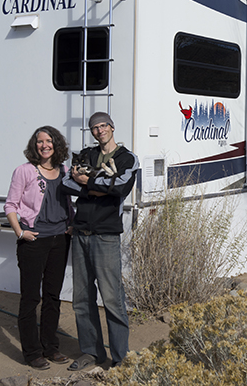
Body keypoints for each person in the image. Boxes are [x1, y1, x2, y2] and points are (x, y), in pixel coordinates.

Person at [60, 111, 139, 371]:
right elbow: (65, 183)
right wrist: (96, 186)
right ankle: (92, 353)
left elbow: (120, 187)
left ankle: (120, 358)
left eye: (103, 125)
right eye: (94, 127)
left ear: (112, 127)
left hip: (106, 235)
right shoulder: (86, 155)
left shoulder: (127, 158)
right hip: (81, 233)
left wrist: (88, 180)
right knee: (82, 299)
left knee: (112, 298)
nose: (99, 130)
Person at [4, 126, 74, 370]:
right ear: (34, 146)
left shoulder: (64, 171)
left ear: (57, 144)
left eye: (49, 140)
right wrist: (21, 232)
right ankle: (32, 352)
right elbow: (10, 205)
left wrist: (71, 224)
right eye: (39, 141)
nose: (44, 145)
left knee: (53, 297)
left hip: (60, 240)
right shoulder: (24, 171)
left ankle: (50, 347)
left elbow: (67, 202)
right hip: (34, 242)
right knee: (31, 298)